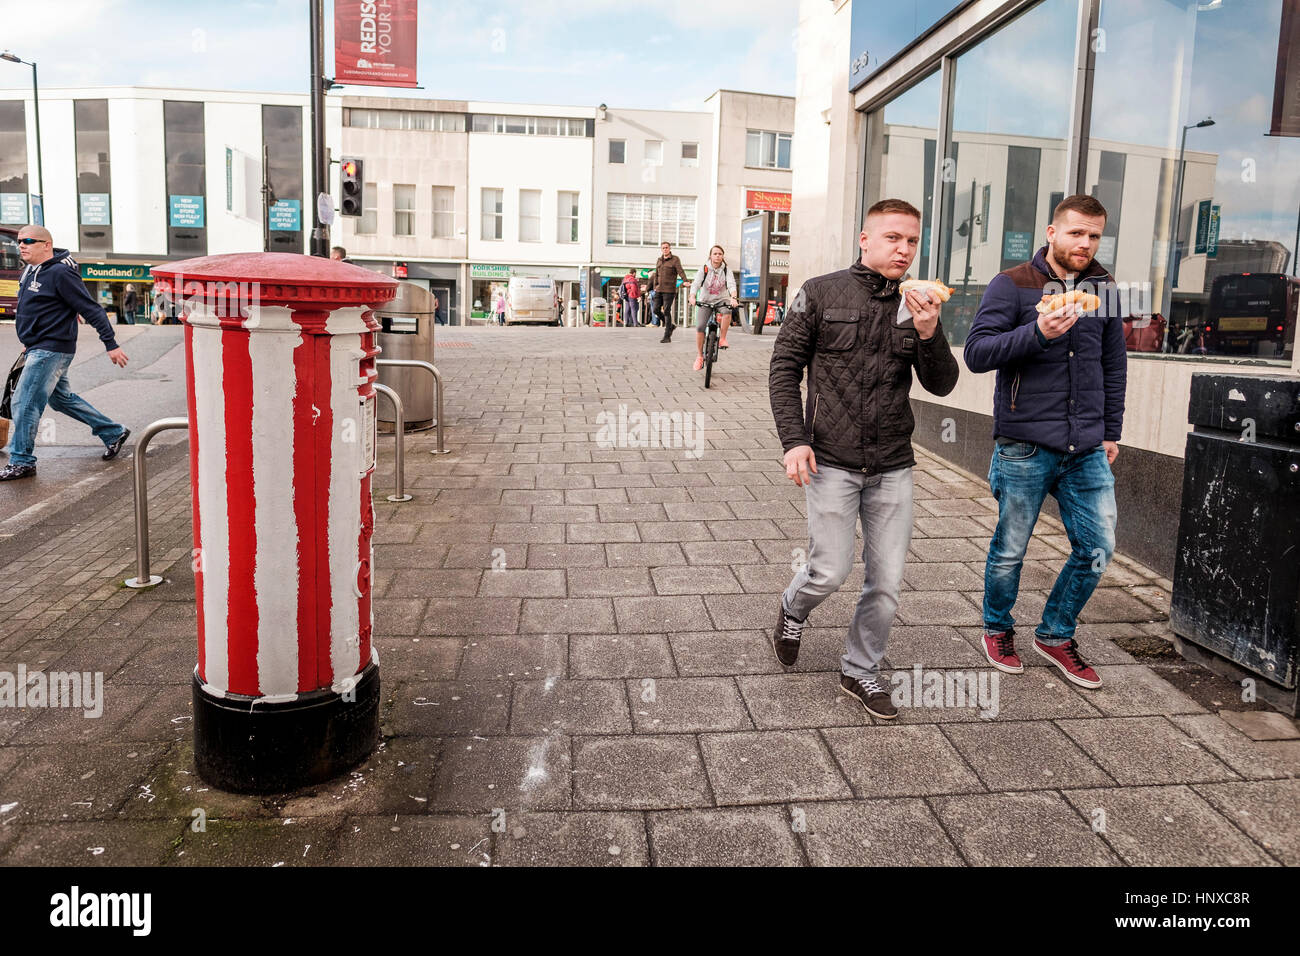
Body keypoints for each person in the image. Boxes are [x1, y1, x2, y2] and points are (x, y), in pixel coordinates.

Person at [768, 199, 959, 718]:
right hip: (829, 459)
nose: (904, 249)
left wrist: (928, 332)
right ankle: (792, 607)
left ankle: (860, 669)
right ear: (865, 239)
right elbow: (784, 369)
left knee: (887, 580)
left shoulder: (917, 303)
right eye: (894, 238)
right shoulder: (819, 293)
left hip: (893, 463)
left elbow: (942, 383)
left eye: (913, 241)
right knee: (828, 571)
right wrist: (794, 441)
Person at [963, 194, 1126, 690]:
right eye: (1076, 233)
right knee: (1011, 547)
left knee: (1098, 546)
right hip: (1025, 443)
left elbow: (1114, 363)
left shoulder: (1105, 287)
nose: (1085, 243)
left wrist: (1111, 430)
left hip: (1087, 446)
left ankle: (1055, 634)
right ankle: (997, 628)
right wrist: (1038, 331)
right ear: (1052, 232)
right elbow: (977, 353)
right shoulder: (1011, 284)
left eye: (1094, 235)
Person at [1, 224, 130, 481]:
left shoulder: (61, 273)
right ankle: (113, 432)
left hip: (51, 349)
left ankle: (22, 461)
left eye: (28, 241)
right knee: (61, 399)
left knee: (24, 403)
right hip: (38, 347)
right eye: (19, 241)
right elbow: (37, 309)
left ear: (46, 244)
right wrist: (28, 339)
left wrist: (111, 344)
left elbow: (91, 309)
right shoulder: (29, 271)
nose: (22, 245)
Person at [690, 244, 738, 371]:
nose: (717, 256)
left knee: (727, 311)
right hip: (705, 300)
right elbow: (696, 284)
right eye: (715, 253)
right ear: (710, 256)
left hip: (721, 299)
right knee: (700, 327)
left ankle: (722, 338)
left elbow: (732, 285)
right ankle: (699, 357)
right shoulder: (704, 268)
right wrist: (692, 296)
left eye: (720, 254)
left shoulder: (727, 270)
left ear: (722, 256)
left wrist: (733, 297)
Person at [647, 241, 686, 342]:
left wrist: (685, 280)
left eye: (666, 247)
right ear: (661, 249)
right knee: (655, 310)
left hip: (669, 290)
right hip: (659, 290)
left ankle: (667, 336)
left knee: (666, 311)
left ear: (669, 248)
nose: (665, 249)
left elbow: (680, 270)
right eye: (663, 248)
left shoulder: (675, 259)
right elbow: (656, 274)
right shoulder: (659, 260)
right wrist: (655, 286)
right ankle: (670, 326)